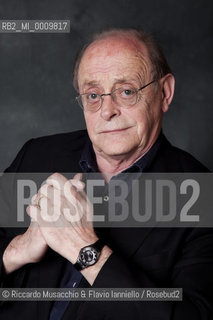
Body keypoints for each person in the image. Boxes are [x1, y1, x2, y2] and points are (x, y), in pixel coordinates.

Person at [0, 28, 213, 319]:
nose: (106, 111)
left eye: (126, 91)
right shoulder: (36, 156)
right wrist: (16, 250)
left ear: (165, 93)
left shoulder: (203, 197)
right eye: (93, 95)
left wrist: (86, 250)